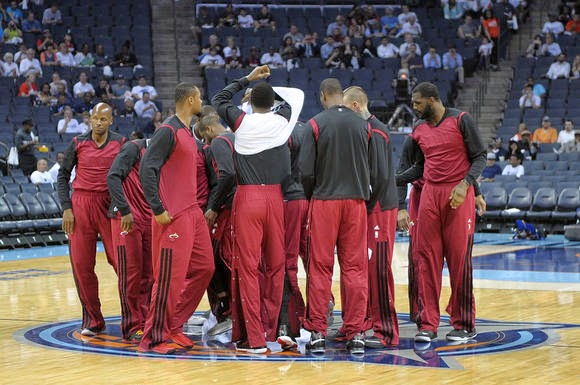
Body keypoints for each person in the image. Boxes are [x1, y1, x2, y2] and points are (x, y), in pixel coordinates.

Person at [211, 65, 304, 354]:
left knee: (249, 270)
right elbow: (296, 95)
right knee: (276, 267)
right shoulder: (284, 121)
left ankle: (254, 340)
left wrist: (247, 79)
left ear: (250, 103)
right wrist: (270, 89)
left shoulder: (241, 122)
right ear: (274, 103)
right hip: (276, 199)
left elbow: (218, 99)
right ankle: (271, 331)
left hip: (248, 198)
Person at [397, 82, 486, 343]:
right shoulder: (418, 130)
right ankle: (428, 323)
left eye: (417, 102)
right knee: (426, 261)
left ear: (433, 100)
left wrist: (467, 184)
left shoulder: (461, 120)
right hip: (430, 195)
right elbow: (419, 168)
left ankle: (464, 324)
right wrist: (392, 181)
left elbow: (480, 157)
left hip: (458, 194)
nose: (414, 107)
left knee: (459, 262)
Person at [138, 83, 214, 354]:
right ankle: (155, 338)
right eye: (200, 97)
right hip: (172, 214)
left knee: (205, 267)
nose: (202, 100)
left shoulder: (186, 132)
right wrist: (157, 208)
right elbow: (147, 168)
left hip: (192, 211)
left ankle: (173, 324)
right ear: (191, 99)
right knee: (169, 278)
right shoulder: (167, 130)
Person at [299, 78, 370, 355]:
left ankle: (317, 331)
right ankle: (356, 333)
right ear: (342, 96)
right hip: (356, 203)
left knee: (320, 268)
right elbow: (371, 166)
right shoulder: (363, 124)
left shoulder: (315, 124)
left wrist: (312, 194)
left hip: (325, 201)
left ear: (322, 96)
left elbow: (305, 171)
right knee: (355, 269)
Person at [58, 103, 127, 336]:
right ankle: (93, 320)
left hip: (110, 204)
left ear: (110, 121)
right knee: (81, 265)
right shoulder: (77, 143)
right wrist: (66, 207)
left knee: (122, 262)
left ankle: (135, 318)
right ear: (90, 120)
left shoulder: (121, 142)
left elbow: (129, 175)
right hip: (80, 206)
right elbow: (62, 175)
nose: (98, 122)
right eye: (95, 118)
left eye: (103, 119)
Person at [343, 86, 399, 348]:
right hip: (368, 207)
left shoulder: (375, 131)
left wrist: (364, 207)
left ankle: (385, 331)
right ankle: (361, 324)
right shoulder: (364, 130)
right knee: (361, 269)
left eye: (345, 107)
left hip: (377, 208)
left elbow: (380, 177)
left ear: (355, 106)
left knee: (378, 270)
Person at [107, 137, 154, 342]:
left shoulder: (165, 155)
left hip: (149, 217)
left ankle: (146, 322)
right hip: (127, 218)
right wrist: (124, 210)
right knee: (131, 274)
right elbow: (113, 176)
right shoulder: (134, 148)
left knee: (150, 274)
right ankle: (132, 325)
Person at [196, 114, 236, 336]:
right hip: (243, 203)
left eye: (205, 137)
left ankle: (234, 312)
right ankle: (227, 307)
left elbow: (227, 174)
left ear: (209, 130)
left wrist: (212, 206)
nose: (206, 144)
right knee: (217, 256)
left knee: (223, 257)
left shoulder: (220, 141)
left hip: (229, 207)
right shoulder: (238, 137)